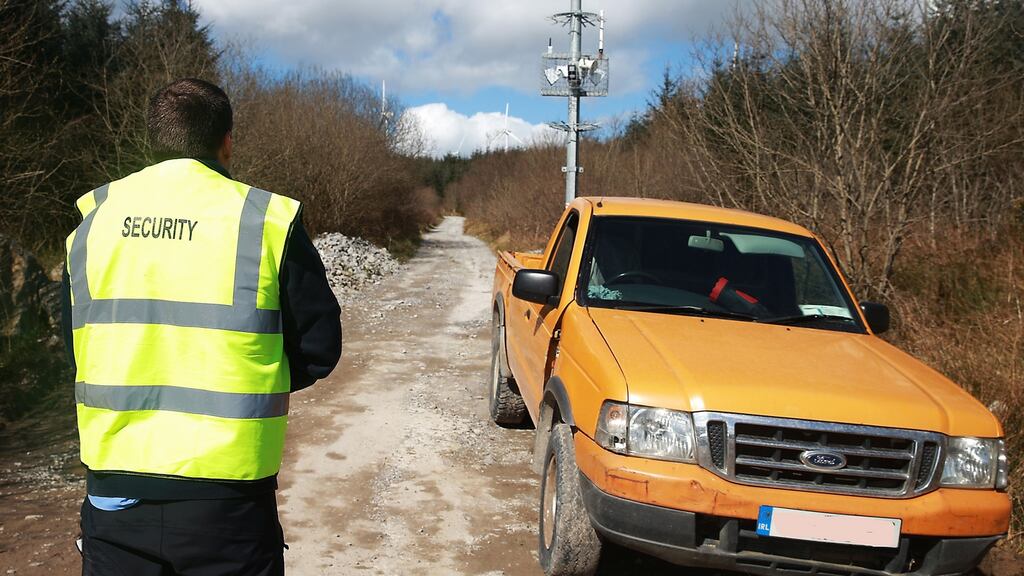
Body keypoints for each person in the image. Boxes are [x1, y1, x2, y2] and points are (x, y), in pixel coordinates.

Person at [61, 78, 342, 575]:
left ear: (155, 140)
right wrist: (249, 376)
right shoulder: (265, 218)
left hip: (115, 493)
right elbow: (318, 348)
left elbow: (79, 344)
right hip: (228, 498)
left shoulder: (94, 218)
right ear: (227, 140)